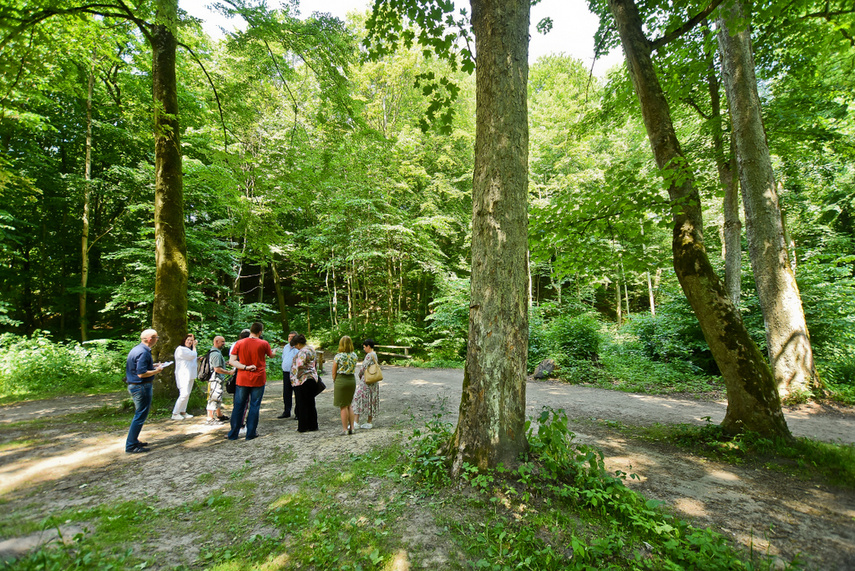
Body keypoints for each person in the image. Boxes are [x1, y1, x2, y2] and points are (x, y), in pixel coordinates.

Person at [227, 322, 273, 440]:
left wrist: (245, 367)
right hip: (258, 378)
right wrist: (275, 353)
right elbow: (271, 355)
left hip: (242, 378)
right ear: (260, 332)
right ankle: (250, 433)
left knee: (239, 406)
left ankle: (233, 434)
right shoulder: (264, 343)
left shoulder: (239, 343)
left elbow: (232, 361)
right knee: (254, 406)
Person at [124, 329, 163, 453]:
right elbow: (141, 374)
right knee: (140, 415)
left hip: (135, 385)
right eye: (157, 337)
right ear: (150, 339)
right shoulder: (143, 352)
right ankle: (131, 446)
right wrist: (157, 371)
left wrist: (153, 366)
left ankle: (134, 441)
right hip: (141, 386)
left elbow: (138, 368)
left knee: (140, 414)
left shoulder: (137, 349)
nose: (157, 340)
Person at [290, 334, 320, 433]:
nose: (296, 348)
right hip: (312, 378)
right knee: (311, 403)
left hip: (302, 380)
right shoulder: (311, 349)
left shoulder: (303, 352)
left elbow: (299, 365)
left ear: (298, 344)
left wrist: (295, 376)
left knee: (301, 404)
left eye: (295, 345)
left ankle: (303, 426)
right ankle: (313, 425)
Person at [332, 335, 358, 435]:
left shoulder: (338, 356)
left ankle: (345, 429)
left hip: (341, 379)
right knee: (349, 404)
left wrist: (336, 381)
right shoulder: (354, 355)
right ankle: (352, 427)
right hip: (351, 380)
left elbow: (334, 372)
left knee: (343, 406)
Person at [205, 336, 233, 425]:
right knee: (214, 398)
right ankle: (210, 418)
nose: (224, 344)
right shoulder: (216, 354)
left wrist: (224, 363)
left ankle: (219, 415)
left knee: (217, 397)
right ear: (216, 342)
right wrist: (229, 372)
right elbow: (217, 369)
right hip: (215, 380)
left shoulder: (214, 352)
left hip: (216, 380)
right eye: (222, 342)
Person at [353, 338, 380, 430]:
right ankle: (369, 422)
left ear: (368, 346)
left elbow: (363, 368)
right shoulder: (375, 354)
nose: (364, 349)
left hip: (366, 381)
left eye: (364, 347)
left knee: (358, 397)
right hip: (373, 381)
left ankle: (356, 422)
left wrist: (360, 375)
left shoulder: (369, 355)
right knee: (371, 399)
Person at [172, 333, 198, 420]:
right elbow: (192, 355)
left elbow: (192, 358)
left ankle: (183, 411)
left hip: (190, 374)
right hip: (183, 374)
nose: (190, 342)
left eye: (191, 341)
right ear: (184, 341)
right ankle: (175, 413)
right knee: (184, 394)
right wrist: (194, 346)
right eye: (188, 340)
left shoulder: (189, 350)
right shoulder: (181, 349)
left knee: (188, 394)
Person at [278, 331, 299, 419]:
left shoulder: (298, 348)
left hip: (296, 373)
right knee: (286, 392)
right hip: (286, 372)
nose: (290, 338)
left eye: (292, 337)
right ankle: (287, 411)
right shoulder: (286, 347)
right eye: (289, 337)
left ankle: (298, 413)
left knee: (297, 392)